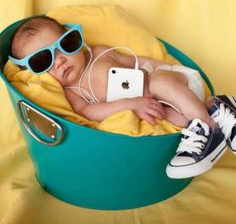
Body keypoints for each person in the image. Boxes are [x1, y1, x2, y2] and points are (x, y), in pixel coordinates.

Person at [8, 16, 236, 179]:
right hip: (163, 106)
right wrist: (130, 105)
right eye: (42, 61)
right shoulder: (71, 93)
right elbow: (88, 112)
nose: (60, 60)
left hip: (176, 85)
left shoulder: (99, 54)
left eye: (65, 45)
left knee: (158, 81)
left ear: (75, 38)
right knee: (169, 119)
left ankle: (207, 127)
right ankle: (217, 111)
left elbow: (142, 62)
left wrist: (171, 68)